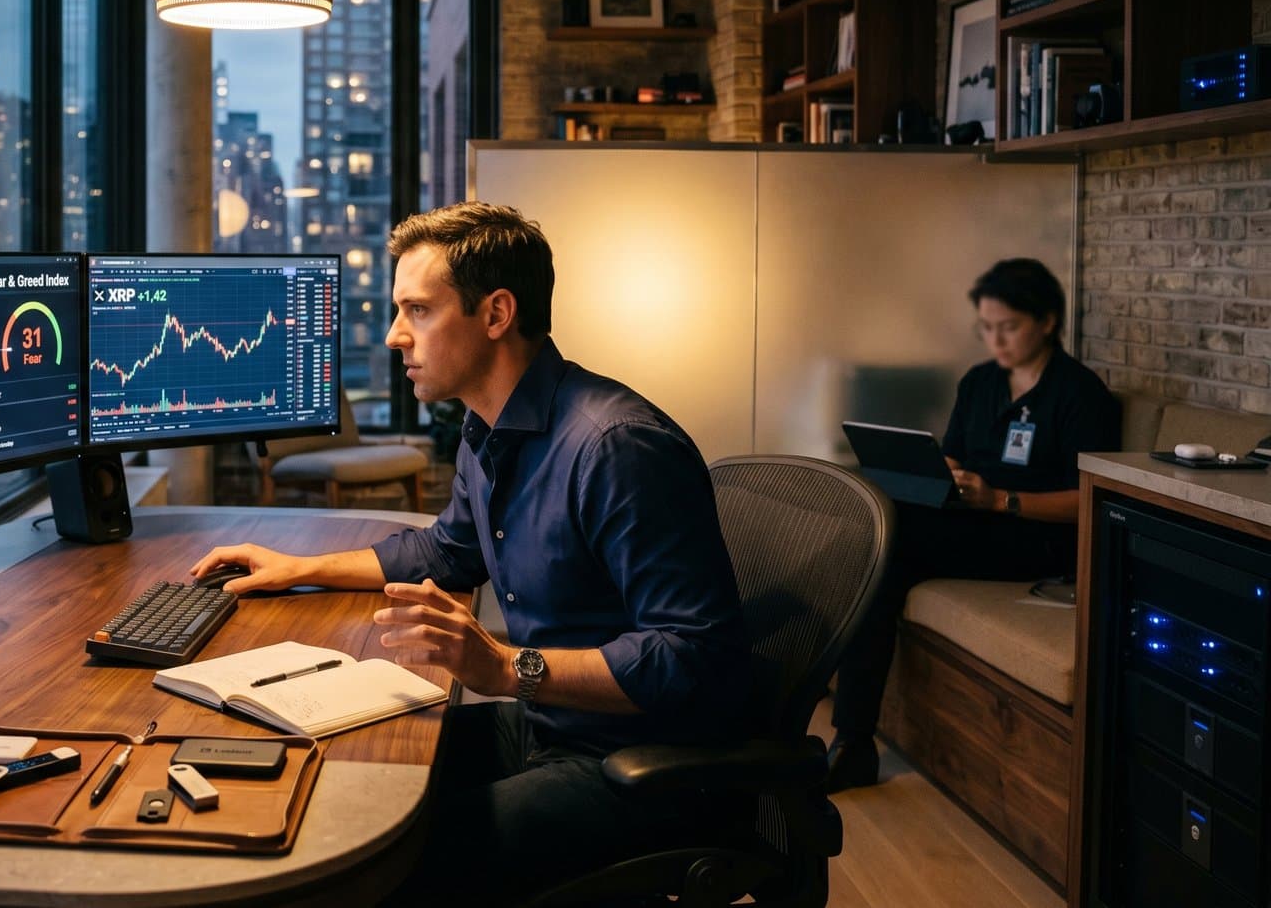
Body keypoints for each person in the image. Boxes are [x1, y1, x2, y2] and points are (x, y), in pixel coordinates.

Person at [189, 202, 752, 902]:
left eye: (417, 311)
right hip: (556, 727)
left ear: (495, 314)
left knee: (379, 859)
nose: (396, 336)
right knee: (347, 781)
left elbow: (693, 656)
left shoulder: (615, 448)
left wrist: (504, 665)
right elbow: (449, 549)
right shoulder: (487, 430)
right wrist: (298, 568)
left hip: (644, 760)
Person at [825, 258, 1120, 792]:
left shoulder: (1079, 394)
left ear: (1048, 320)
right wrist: (947, 475)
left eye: (1009, 327)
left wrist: (1002, 498)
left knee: (884, 544)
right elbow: (955, 458)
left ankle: (848, 739)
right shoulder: (980, 382)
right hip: (970, 525)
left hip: (1038, 539)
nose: (997, 340)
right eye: (987, 328)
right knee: (876, 540)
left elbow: (1091, 501)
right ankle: (851, 741)